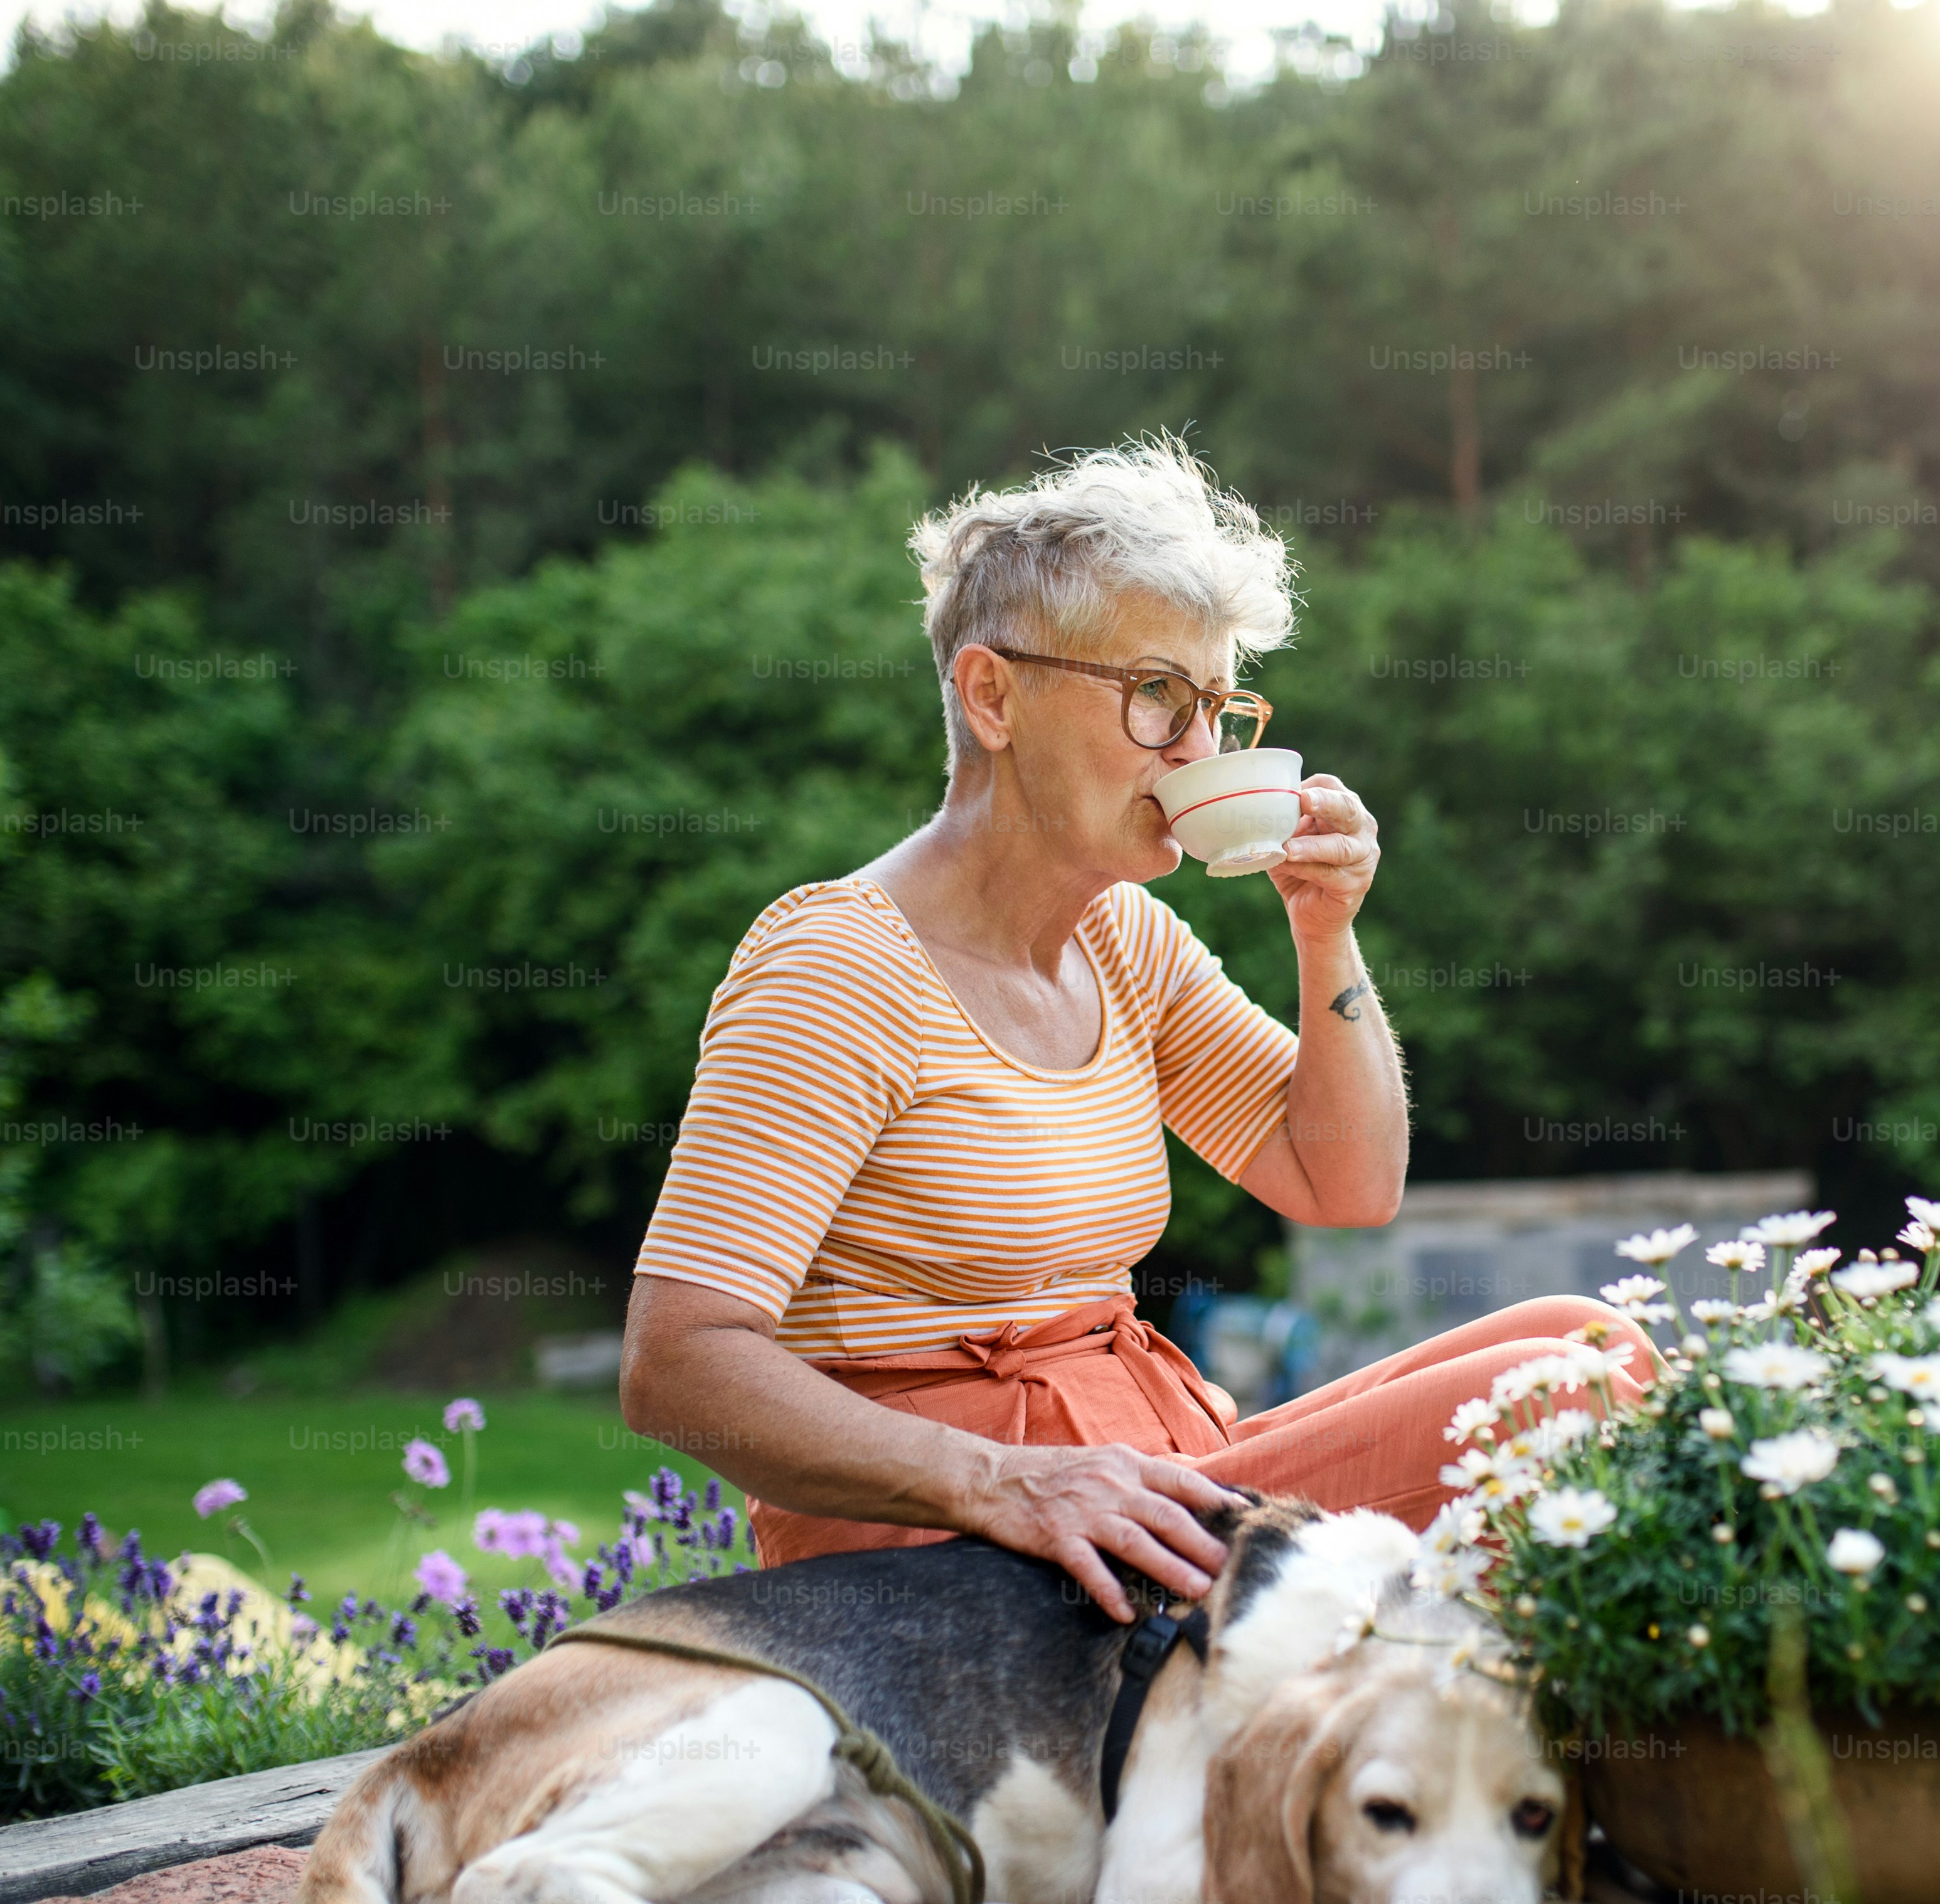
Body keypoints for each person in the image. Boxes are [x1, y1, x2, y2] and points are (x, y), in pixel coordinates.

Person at [619, 435, 1659, 1622]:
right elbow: (677, 1367)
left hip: (1145, 1492)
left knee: (1585, 1332)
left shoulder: (1122, 939)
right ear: (992, 695)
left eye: (1218, 707)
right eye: (1158, 695)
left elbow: (1348, 1179)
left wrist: (1328, 931)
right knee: (1561, 1393)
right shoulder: (838, 968)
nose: (1200, 755)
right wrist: (1004, 1482)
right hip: (966, 1564)